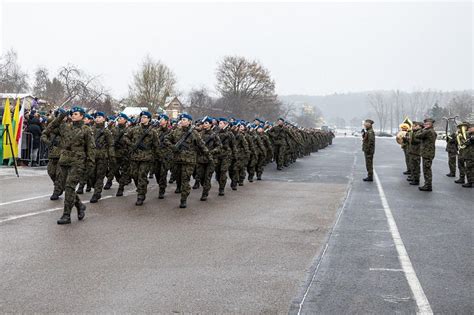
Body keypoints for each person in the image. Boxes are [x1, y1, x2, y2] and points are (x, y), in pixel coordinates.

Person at [47, 107, 95, 224]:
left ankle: (66, 215)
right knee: (64, 186)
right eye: (72, 114)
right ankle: (79, 205)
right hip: (64, 160)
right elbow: (49, 129)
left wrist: (90, 164)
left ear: (82, 116)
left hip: (77, 162)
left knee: (69, 187)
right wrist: (60, 116)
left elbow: (91, 148)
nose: (73, 115)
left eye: (76, 114)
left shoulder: (86, 130)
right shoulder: (65, 127)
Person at [164, 113, 212, 208]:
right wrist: (173, 147)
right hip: (177, 160)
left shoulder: (194, 133)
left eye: (184, 119)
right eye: (181, 119)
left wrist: (209, 157)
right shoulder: (176, 131)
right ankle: (181, 191)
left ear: (189, 122)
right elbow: (166, 139)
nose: (182, 121)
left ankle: (183, 199)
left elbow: (202, 146)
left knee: (185, 180)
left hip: (189, 161)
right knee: (178, 178)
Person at [122, 111, 160, 206]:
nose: (142, 118)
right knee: (134, 175)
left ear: (149, 119)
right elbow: (125, 137)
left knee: (142, 175)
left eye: (144, 117)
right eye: (141, 117)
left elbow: (157, 145)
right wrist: (132, 145)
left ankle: (141, 195)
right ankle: (141, 187)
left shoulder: (153, 132)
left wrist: (155, 157)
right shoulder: (134, 129)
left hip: (146, 158)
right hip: (134, 157)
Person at [89, 112, 115, 203]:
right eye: (96, 117)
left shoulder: (106, 131)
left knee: (100, 176)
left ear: (104, 119)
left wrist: (111, 157)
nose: (97, 118)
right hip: (91, 156)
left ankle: (97, 193)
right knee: (91, 175)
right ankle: (95, 187)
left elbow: (111, 144)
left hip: (102, 156)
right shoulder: (90, 129)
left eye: (99, 117)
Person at [414, 118, 437, 191]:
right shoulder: (431, 131)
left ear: (431, 124)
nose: (425, 125)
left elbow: (417, 135)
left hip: (427, 153)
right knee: (427, 169)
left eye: (427, 124)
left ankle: (428, 185)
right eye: (424, 124)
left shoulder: (428, 131)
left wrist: (421, 129)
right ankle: (427, 184)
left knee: (427, 170)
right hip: (427, 153)